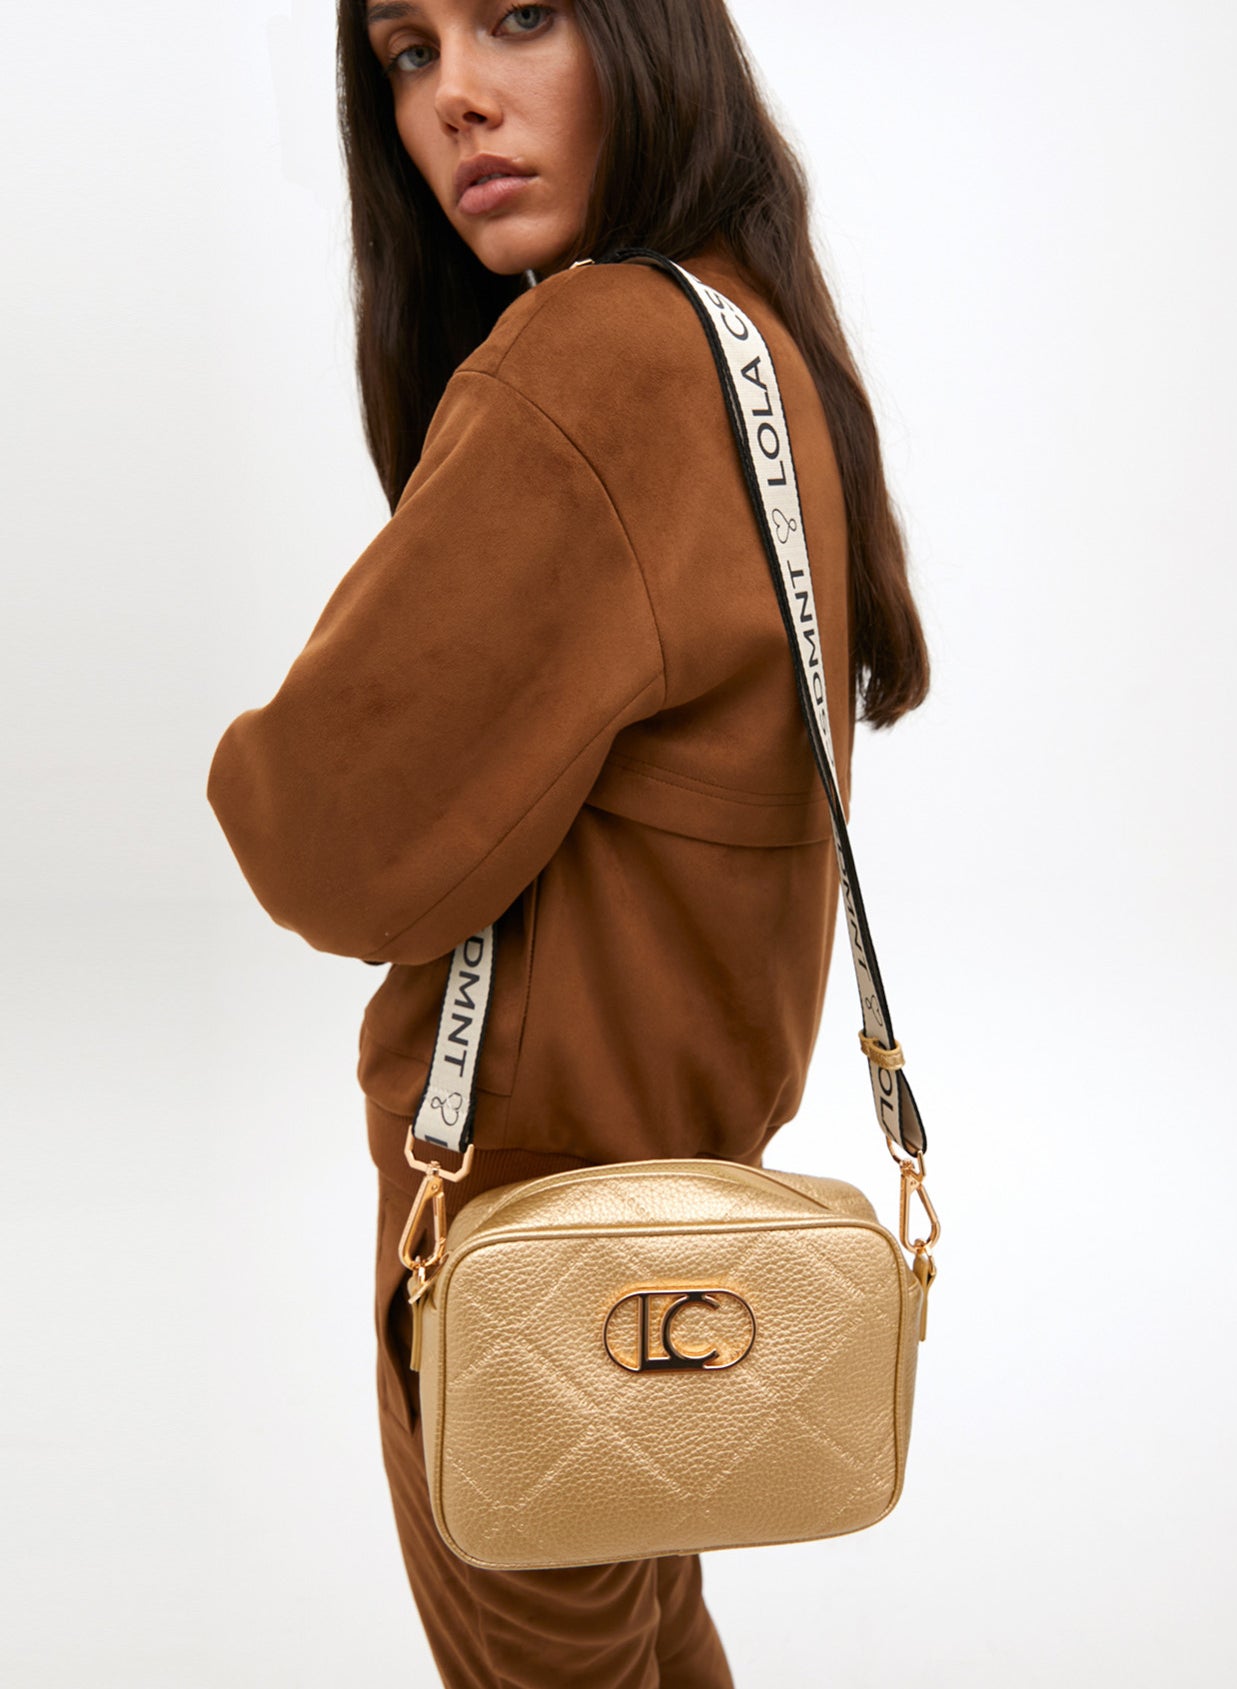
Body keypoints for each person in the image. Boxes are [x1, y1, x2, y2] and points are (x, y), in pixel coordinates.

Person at [206, 0, 930, 1681]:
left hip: (526, 1257)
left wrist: (246, 761)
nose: (456, 97)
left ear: (647, 35)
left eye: (519, 18)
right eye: (408, 52)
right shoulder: (752, 346)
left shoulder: (598, 357)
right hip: (686, 1237)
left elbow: (324, 840)